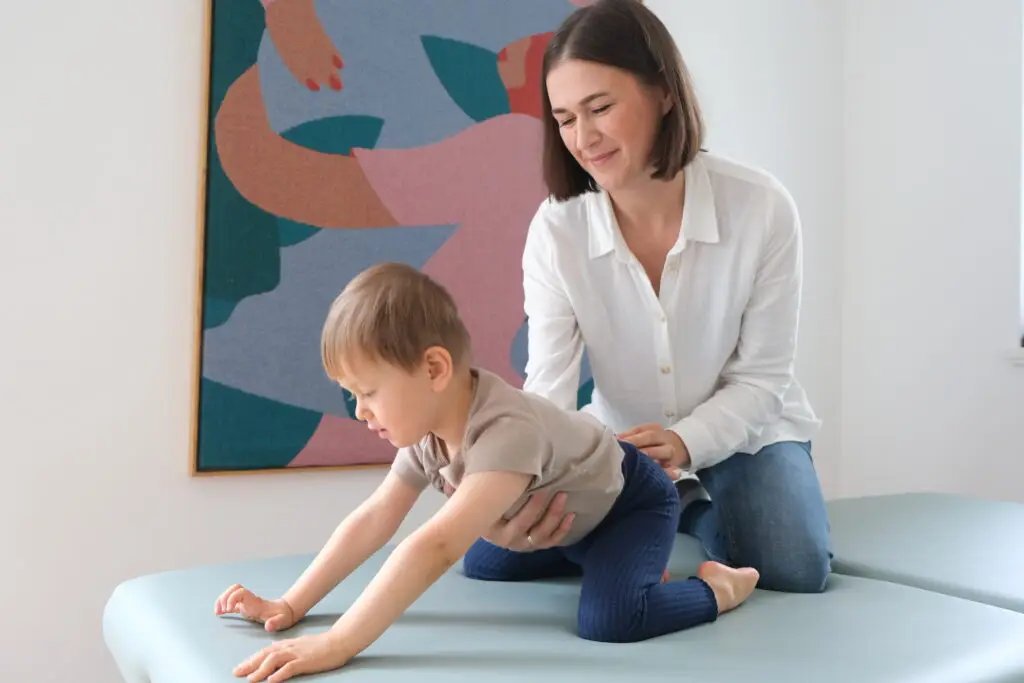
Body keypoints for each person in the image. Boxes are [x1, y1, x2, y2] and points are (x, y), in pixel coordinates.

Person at [214, 262, 760, 682]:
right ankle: (608, 559)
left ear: (434, 368)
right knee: (484, 563)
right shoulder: (427, 432)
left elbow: (433, 546)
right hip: (570, 515)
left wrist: (338, 643)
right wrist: (292, 603)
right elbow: (375, 518)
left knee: (612, 621)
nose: (360, 412)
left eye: (369, 392)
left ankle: (717, 586)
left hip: (631, 502)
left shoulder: (505, 431)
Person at [486, 0, 833, 593]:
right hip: (623, 442)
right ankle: (672, 505)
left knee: (791, 566)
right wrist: (526, 480)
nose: (583, 138)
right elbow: (549, 388)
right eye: (565, 119)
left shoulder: (761, 208)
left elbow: (762, 379)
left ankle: (679, 506)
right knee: (499, 556)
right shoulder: (557, 229)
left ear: (664, 92)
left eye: (601, 108)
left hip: (747, 431)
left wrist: (684, 442)